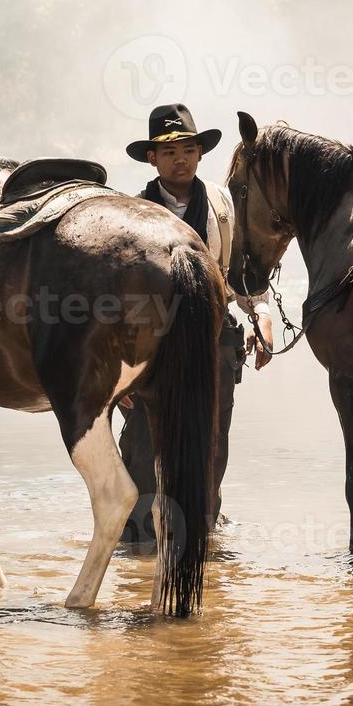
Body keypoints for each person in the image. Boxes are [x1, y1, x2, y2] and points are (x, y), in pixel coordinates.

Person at [119, 103, 274, 543]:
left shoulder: (223, 206)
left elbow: (241, 272)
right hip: (151, 343)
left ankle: (204, 531)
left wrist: (261, 314)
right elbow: (116, 296)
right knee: (144, 439)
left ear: (200, 153)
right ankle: (139, 537)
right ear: (152, 158)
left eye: (187, 148)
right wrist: (118, 373)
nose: (179, 158)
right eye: (168, 151)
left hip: (214, 338)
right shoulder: (130, 212)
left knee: (211, 438)